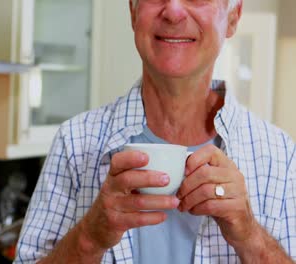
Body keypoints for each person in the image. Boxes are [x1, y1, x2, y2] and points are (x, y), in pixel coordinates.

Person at [15, 0, 295, 263]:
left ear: (233, 17)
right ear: (133, 12)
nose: (173, 11)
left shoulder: (279, 153)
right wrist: (89, 237)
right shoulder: (74, 142)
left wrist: (250, 235)